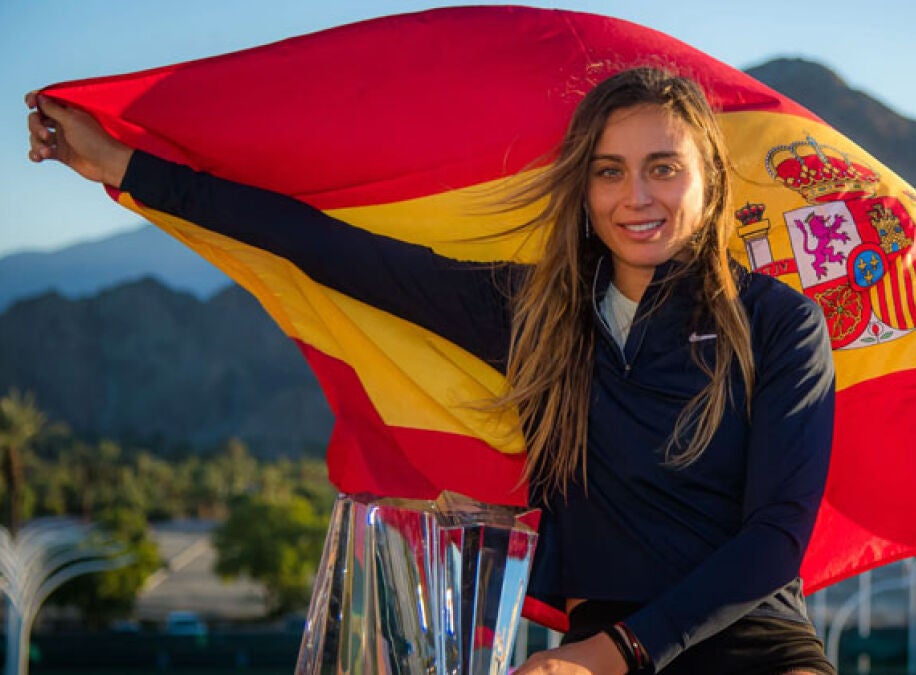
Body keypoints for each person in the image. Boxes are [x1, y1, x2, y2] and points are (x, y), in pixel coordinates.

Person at [27, 67, 836, 675]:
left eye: (663, 166)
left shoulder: (778, 323)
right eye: (608, 169)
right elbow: (324, 246)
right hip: (587, 648)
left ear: (709, 181)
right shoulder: (534, 315)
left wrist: (610, 656)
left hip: (752, 645)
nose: (636, 196)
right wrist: (123, 166)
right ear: (583, 186)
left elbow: (775, 539)